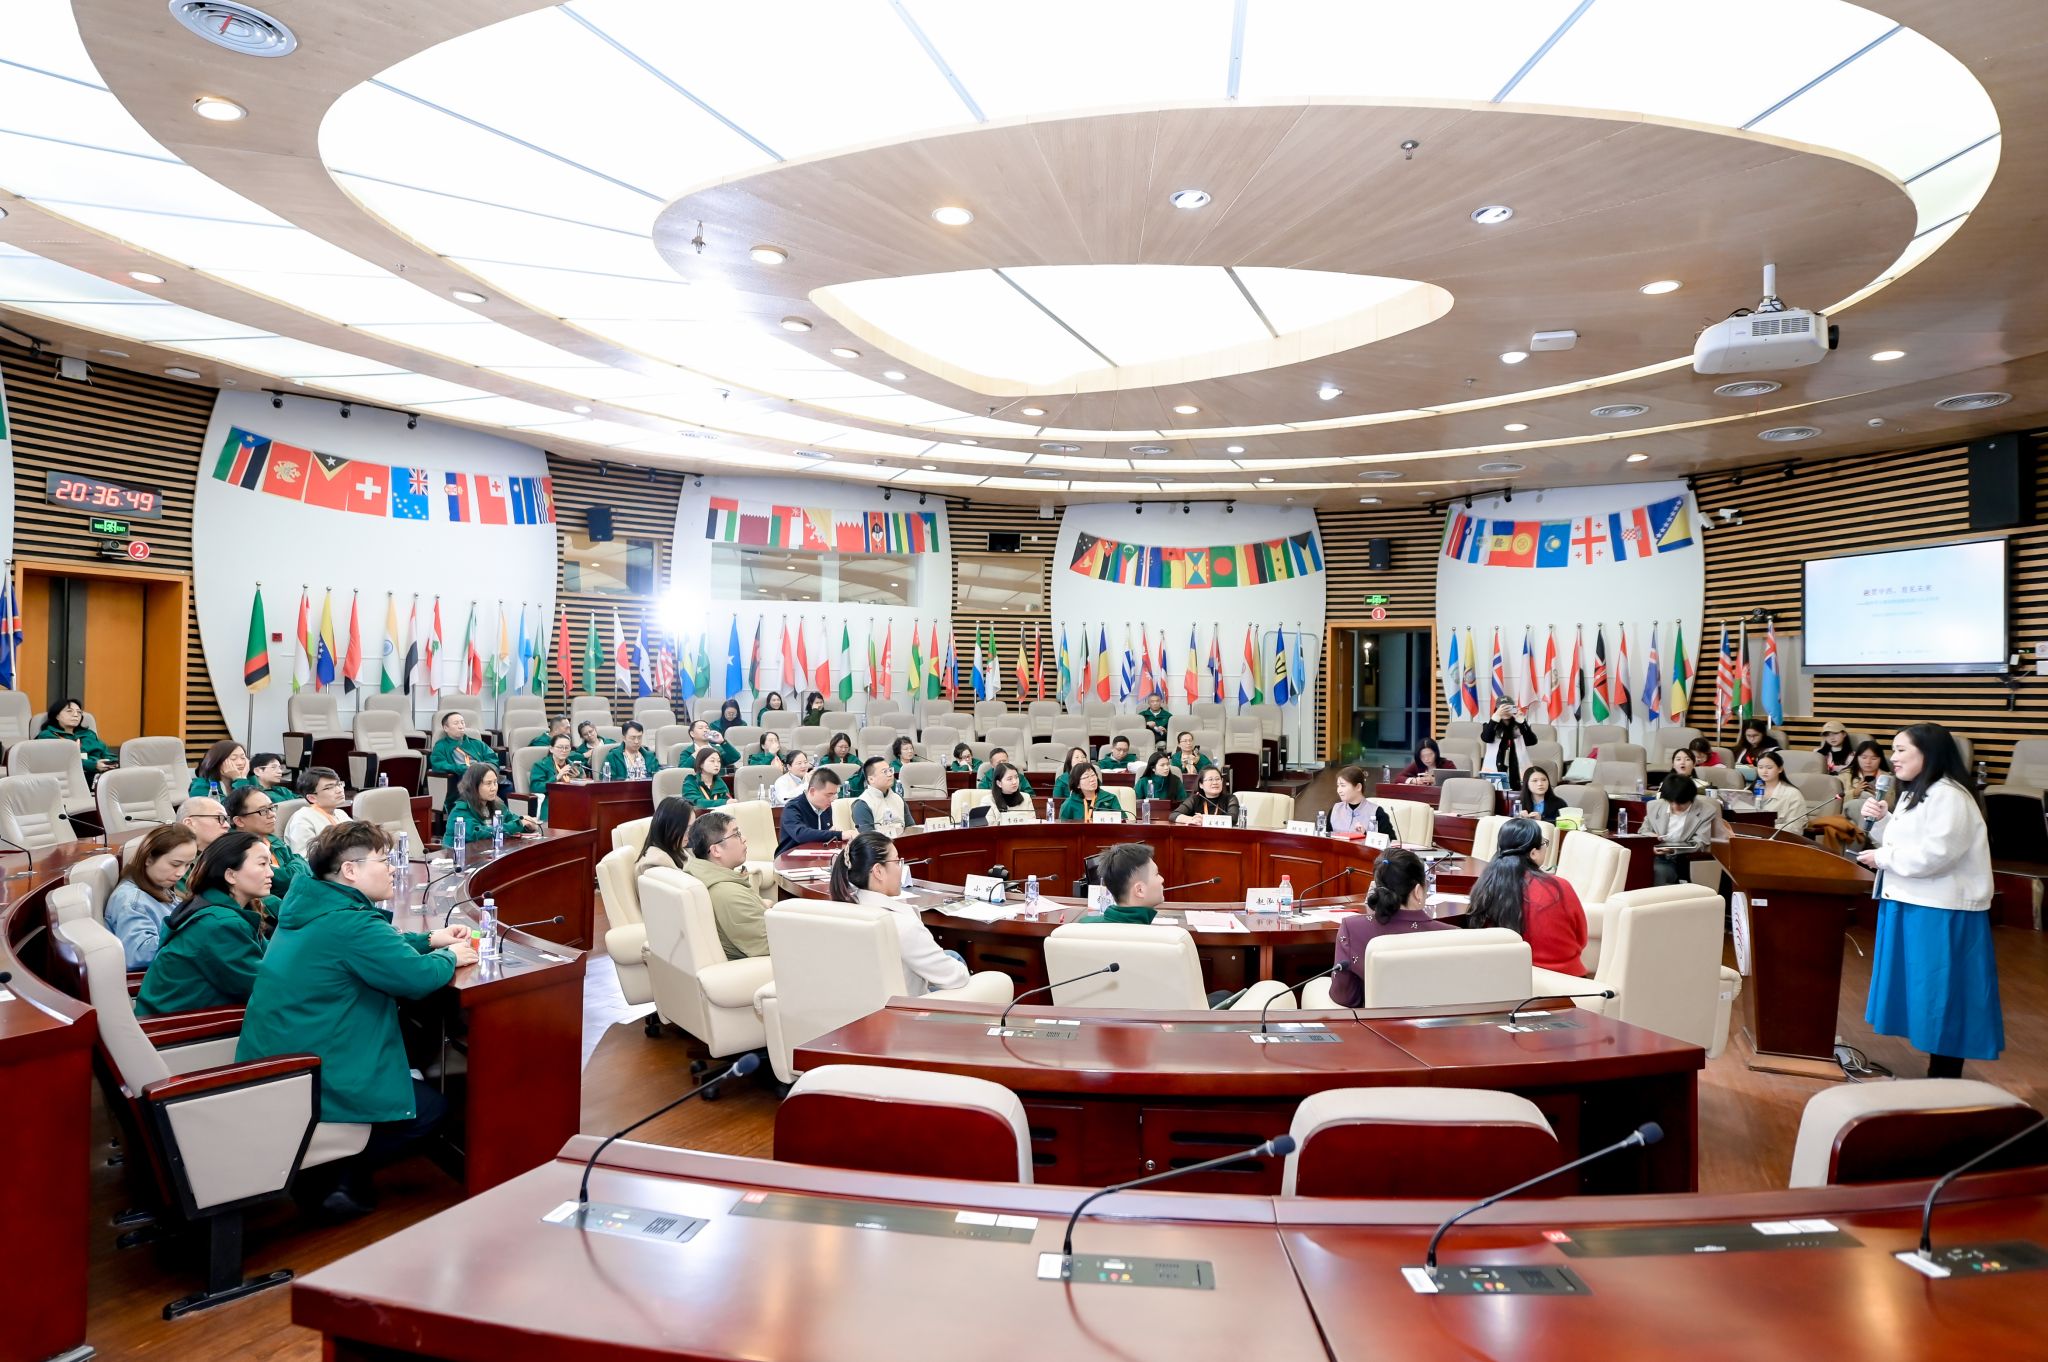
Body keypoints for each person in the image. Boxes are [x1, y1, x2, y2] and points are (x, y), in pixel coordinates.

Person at [234, 821, 475, 1216]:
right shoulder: (350, 922)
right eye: (384, 861)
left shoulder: (313, 904)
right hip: (315, 1065)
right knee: (432, 1112)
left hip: (283, 1053)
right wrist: (449, 956)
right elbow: (415, 978)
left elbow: (377, 947)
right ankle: (325, 1170)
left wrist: (429, 940)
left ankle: (332, 1169)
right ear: (350, 870)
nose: (393, 869)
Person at [1856, 723, 2002, 1078]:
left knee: (1943, 993)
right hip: (1914, 902)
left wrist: (1882, 858)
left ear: (1929, 753)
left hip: (1940, 910)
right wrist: (1884, 821)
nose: (1893, 758)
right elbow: (1909, 843)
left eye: (1901, 750)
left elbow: (1937, 855)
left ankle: (1945, 1075)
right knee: (1924, 992)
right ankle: (1937, 1072)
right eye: (1893, 749)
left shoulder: (1951, 796)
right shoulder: (1919, 792)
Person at [135, 831, 273, 1015]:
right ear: (231, 875)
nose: (271, 873)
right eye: (262, 864)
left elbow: (270, 961)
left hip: (186, 1019)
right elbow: (264, 989)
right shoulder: (220, 924)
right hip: (175, 1028)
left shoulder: (214, 906)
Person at [829, 831, 968, 994]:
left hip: (867, 999)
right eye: (897, 862)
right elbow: (956, 978)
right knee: (958, 964)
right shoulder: (904, 925)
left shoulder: (843, 910)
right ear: (878, 871)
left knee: (951, 955)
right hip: (908, 1004)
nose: (902, 868)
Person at [1329, 848, 1451, 1007]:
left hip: (1379, 1021)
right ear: (1418, 891)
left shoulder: (1352, 929)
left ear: (1375, 888)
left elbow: (1345, 997)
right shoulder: (1453, 935)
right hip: (1439, 1021)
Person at [1466, 817, 1588, 975]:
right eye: (1543, 843)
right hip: (1567, 981)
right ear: (1533, 853)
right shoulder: (1559, 886)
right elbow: (1581, 939)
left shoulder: (1486, 886)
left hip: (1510, 979)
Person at [105, 823, 200, 969]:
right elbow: (138, 954)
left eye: (188, 865)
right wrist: (197, 938)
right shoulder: (132, 901)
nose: (181, 873)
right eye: (175, 864)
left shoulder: (159, 887)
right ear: (148, 859)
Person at [683, 811, 770, 959]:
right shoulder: (728, 894)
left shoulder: (703, 874)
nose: (744, 839)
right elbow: (771, 944)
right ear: (716, 850)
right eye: (736, 834)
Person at [229, 783, 307, 898]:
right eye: (263, 811)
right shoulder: (237, 850)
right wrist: (294, 867)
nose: (272, 815)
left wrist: (293, 868)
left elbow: (302, 862)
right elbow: (285, 881)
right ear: (239, 821)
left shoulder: (271, 839)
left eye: (271, 808)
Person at [1642, 773, 1720, 885]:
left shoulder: (1706, 811)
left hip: (1681, 858)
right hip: (1652, 855)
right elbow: (1643, 832)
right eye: (1671, 802)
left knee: (1659, 871)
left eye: (1681, 803)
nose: (1675, 807)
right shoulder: (1654, 806)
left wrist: (1672, 849)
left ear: (1691, 799)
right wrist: (1652, 840)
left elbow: (1701, 842)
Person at [443, 763, 539, 843]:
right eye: (488, 783)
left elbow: (512, 820)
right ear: (474, 786)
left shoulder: (498, 804)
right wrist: (518, 824)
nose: (494, 788)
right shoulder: (461, 811)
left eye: (495, 782)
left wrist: (527, 825)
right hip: (460, 857)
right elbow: (478, 834)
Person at [1082, 842, 1169, 927]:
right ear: (1140, 890)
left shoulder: (1083, 924)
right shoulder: (1157, 935)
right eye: (1157, 874)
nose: (1162, 879)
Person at [38, 698, 114, 781]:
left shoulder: (89, 734)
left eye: (79, 712)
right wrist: (94, 765)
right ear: (57, 716)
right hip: (71, 777)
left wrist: (111, 763)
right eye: (69, 711)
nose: (75, 715)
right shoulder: (47, 735)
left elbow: (106, 753)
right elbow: (61, 760)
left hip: (101, 773)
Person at [284, 768, 351, 857]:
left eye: (339, 784)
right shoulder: (302, 819)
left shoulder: (340, 813)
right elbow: (304, 857)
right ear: (312, 798)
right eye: (329, 787)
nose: (339, 790)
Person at [777, 768, 844, 855]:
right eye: (829, 795)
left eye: (834, 794)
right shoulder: (792, 807)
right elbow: (800, 834)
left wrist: (830, 832)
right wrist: (839, 835)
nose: (832, 799)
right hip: (790, 858)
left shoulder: (825, 806)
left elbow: (821, 835)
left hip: (817, 855)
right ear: (812, 791)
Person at [1841, 740, 1896, 833]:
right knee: (1859, 802)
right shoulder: (1845, 776)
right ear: (1857, 758)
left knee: (1867, 800)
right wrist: (1854, 793)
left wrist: (1878, 795)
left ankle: (1865, 833)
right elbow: (1834, 802)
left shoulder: (1889, 779)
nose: (1868, 762)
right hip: (1848, 815)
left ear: (1880, 759)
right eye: (1864, 757)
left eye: (1874, 758)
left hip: (1877, 818)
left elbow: (1892, 807)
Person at [1479, 701, 1537, 788]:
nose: (1506, 711)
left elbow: (1532, 741)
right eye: (1503, 708)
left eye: (1509, 708)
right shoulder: (1490, 726)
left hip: (1517, 771)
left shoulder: (1521, 727)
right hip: (1496, 771)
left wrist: (1522, 721)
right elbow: (1486, 738)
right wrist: (1495, 717)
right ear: (1496, 710)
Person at [429, 711, 498, 782]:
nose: (461, 726)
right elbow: (439, 765)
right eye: (456, 723)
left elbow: (493, 759)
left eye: (462, 723)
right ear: (446, 728)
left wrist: (485, 769)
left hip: (483, 775)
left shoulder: (477, 743)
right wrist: (463, 768)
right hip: (461, 779)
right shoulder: (441, 746)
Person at [528, 733, 580, 822]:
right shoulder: (540, 765)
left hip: (572, 800)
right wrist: (557, 777)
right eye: (560, 747)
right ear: (551, 749)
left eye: (567, 747)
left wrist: (577, 778)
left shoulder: (573, 766)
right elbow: (536, 787)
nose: (564, 750)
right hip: (551, 801)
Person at [1752, 750, 1808, 834]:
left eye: (1769, 768)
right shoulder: (1750, 791)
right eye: (1760, 767)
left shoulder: (1793, 794)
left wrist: (1767, 828)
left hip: (1778, 838)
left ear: (1780, 769)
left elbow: (1796, 827)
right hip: (1750, 835)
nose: (1764, 771)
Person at [1329, 765, 1394, 836]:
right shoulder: (1335, 809)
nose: (1339, 790)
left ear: (1358, 787)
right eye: (1338, 786)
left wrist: (1365, 834)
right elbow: (1325, 838)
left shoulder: (1377, 813)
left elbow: (1390, 841)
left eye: (1343, 785)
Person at [852, 757, 910, 834]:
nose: (890, 774)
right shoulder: (862, 804)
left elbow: (911, 828)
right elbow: (869, 838)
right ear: (871, 779)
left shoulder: (898, 798)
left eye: (890, 770)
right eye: (885, 771)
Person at [636, 797, 695, 872]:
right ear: (668, 827)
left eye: (692, 827)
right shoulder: (656, 863)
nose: (690, 834)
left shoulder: (676, 848)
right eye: (686, 828)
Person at [1058, 761, 1123, 822]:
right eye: (1086, 777)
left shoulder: (1110, 798)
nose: (1092, 779)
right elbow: (1062, 827)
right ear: (1077, 784)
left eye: (1093, 775)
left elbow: (1123, 821)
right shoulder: (1069, 803)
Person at [1175, 765, 1239, 823]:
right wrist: (1193, 819)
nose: (1215, 782)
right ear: (1201, 784)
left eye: (1217, 779)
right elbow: (1174, 815)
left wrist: (1206, 819)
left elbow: (1233, 819)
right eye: (1210, 779)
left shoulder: (1230, 799)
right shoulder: (1195, 799)